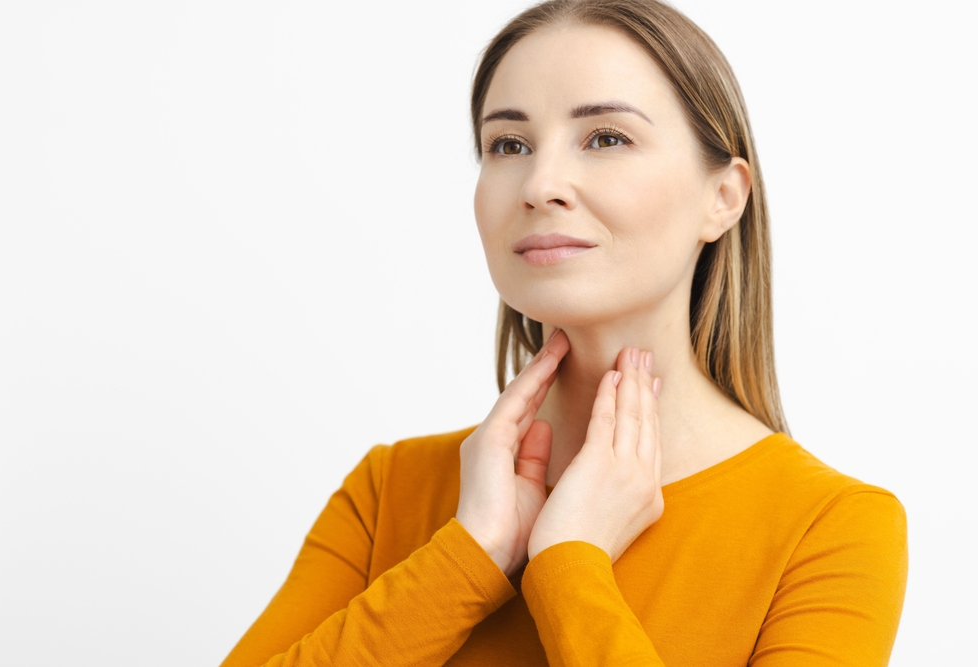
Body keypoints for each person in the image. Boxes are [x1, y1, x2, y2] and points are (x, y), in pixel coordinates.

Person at [220, 0, 908, 664]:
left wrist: (569, 566)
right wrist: (471, 553)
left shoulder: (833, 527)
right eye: (508, 143)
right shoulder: (388, 492)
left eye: (606, 137)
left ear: (722, 197)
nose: (540, 182)